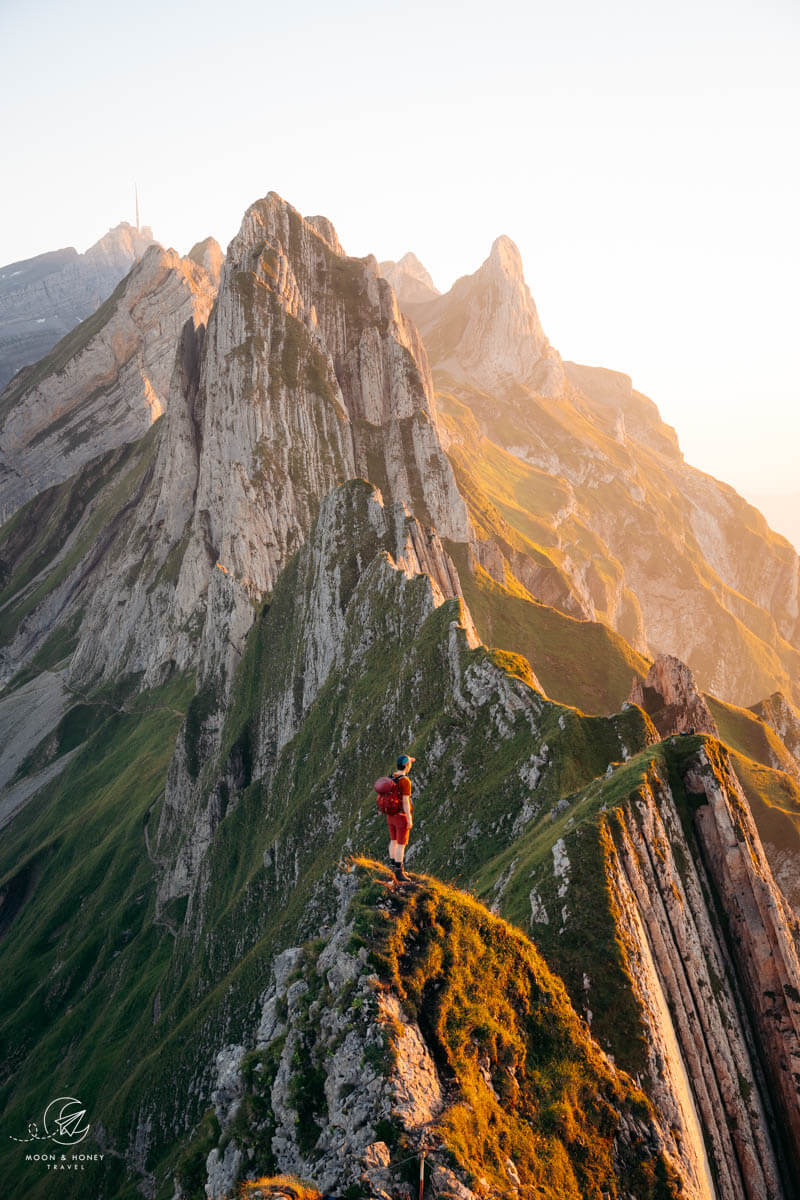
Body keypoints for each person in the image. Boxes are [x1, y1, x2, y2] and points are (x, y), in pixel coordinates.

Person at [387, 754, 415, 883]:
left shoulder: (391, 777)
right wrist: (409, 818)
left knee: (393, 840)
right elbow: (405, 801)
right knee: (401, 844)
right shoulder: (405, 781)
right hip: (400, 816)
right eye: (409, 763)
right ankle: (399, 871)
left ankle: (392, 866)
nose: (410, 765)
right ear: (405, 765)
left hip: (390, 815)